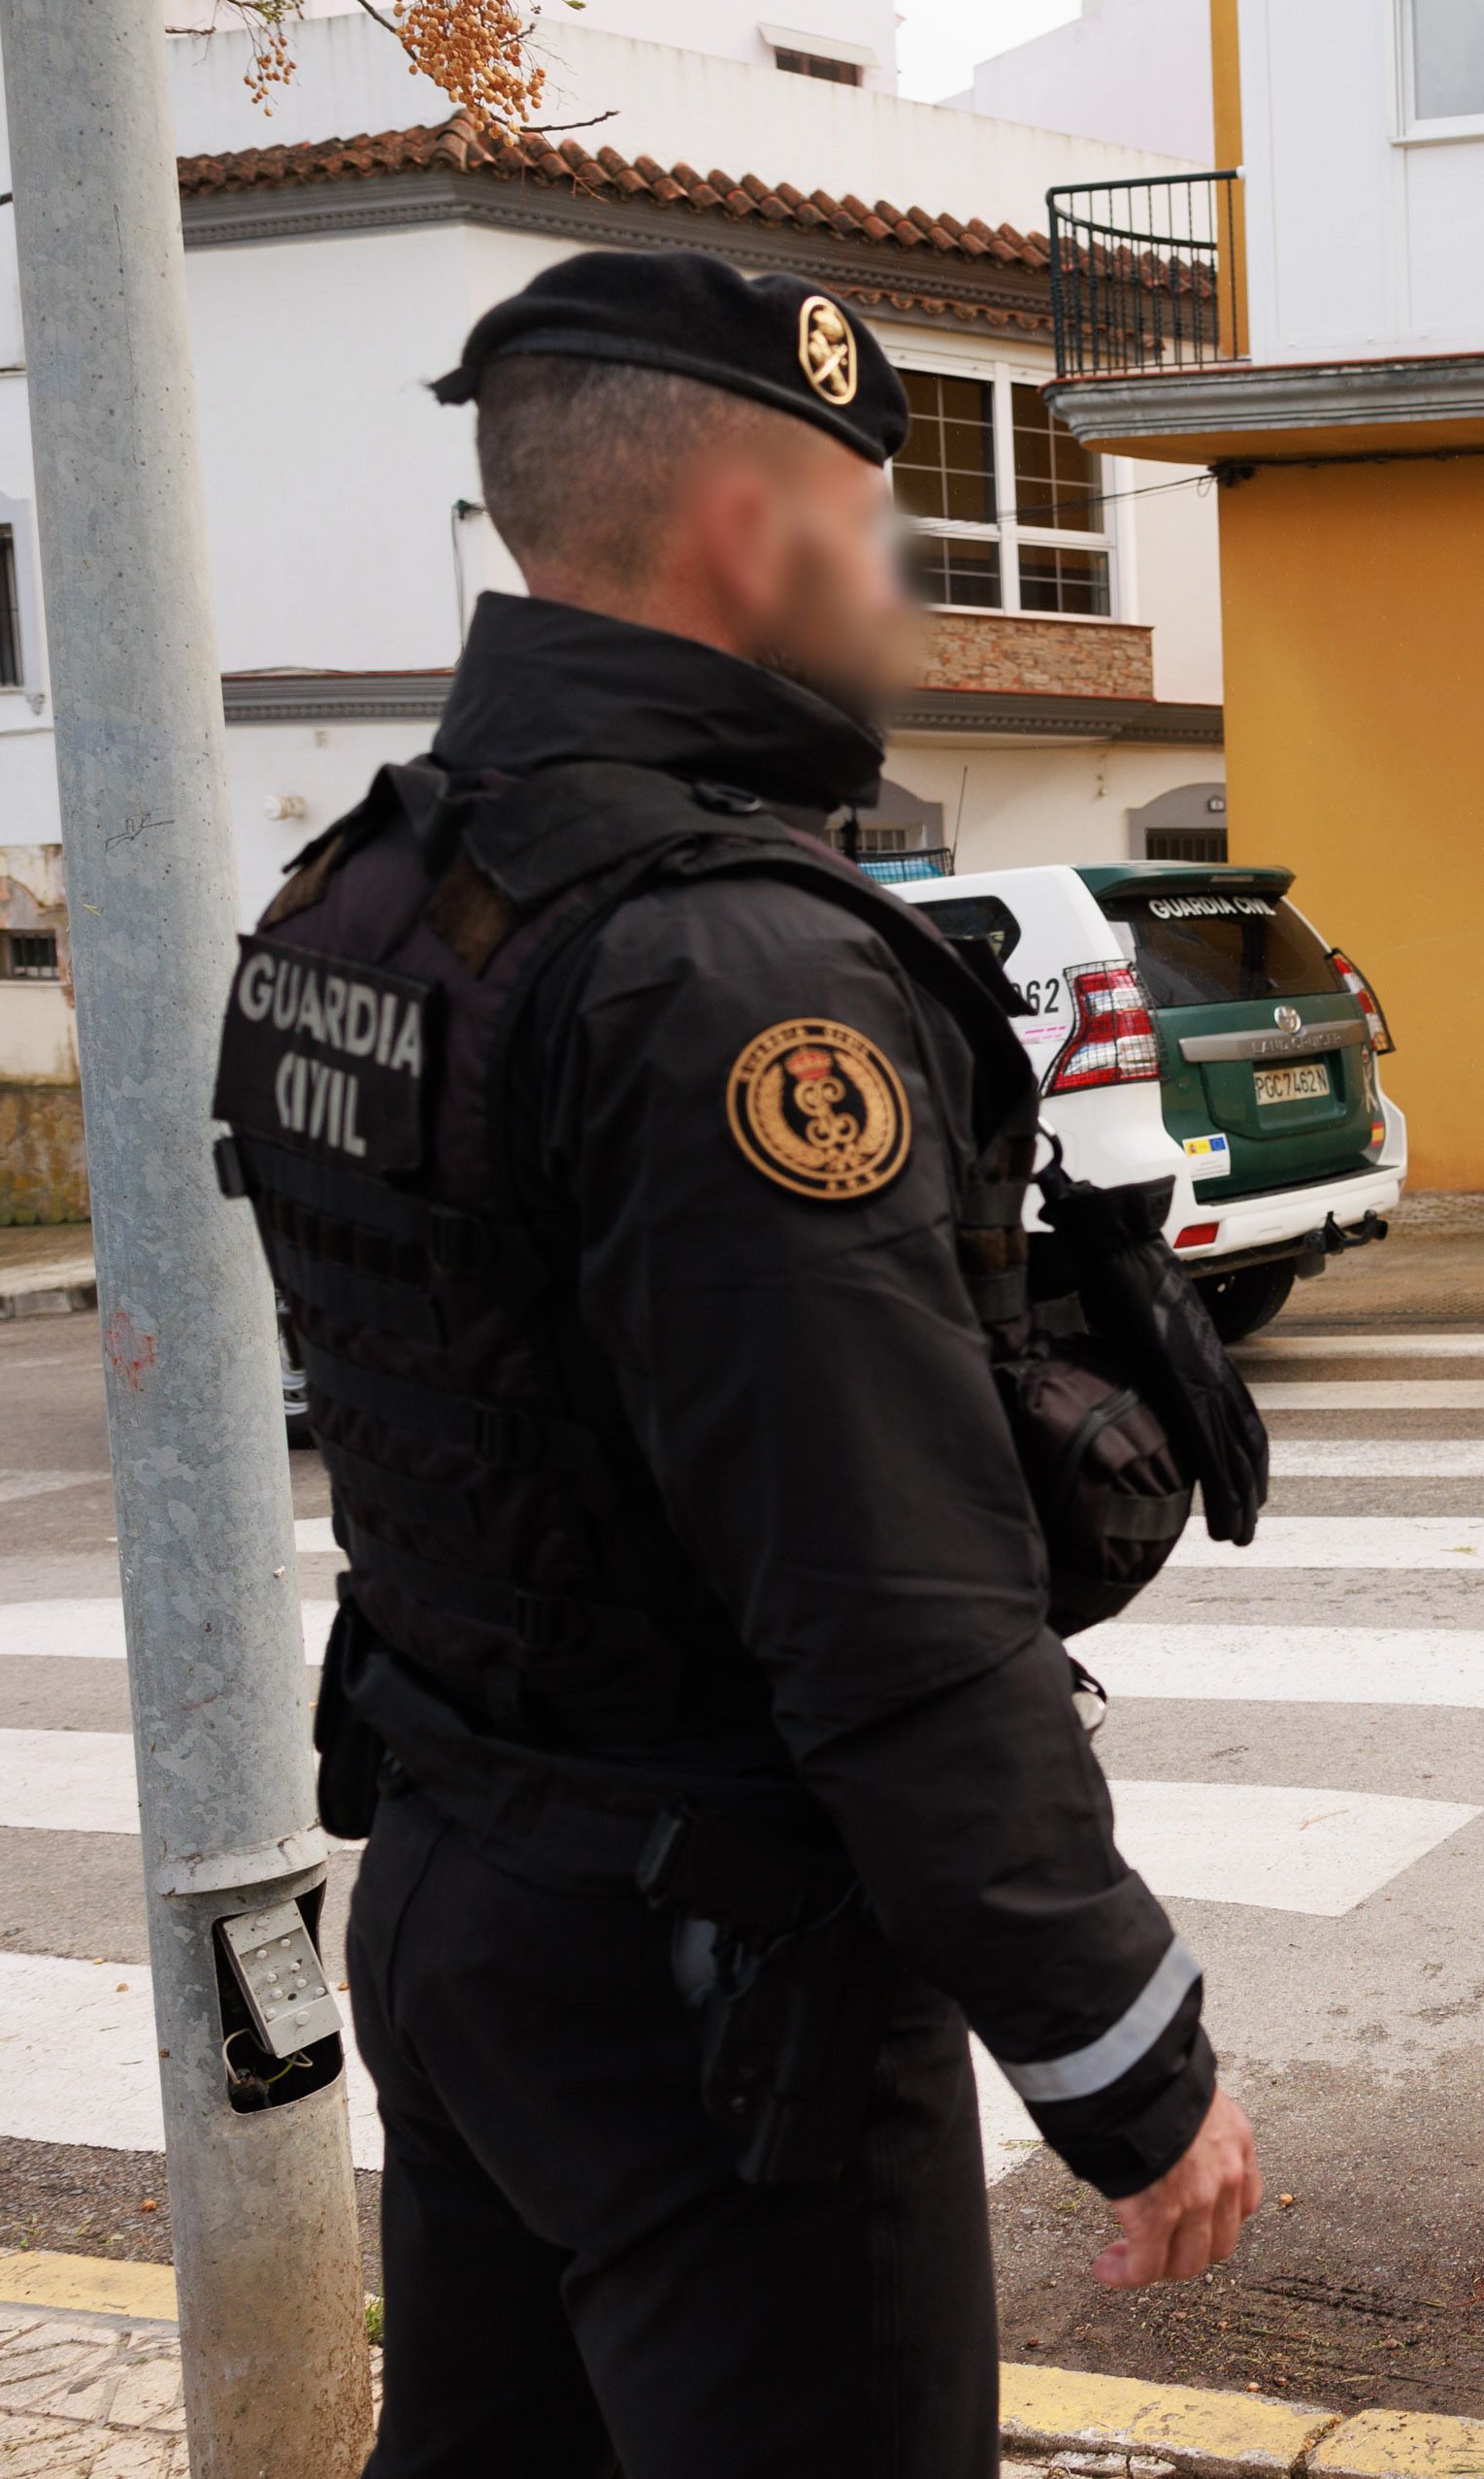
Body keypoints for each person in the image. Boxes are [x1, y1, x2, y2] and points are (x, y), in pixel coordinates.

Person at [214, 250, 1258, 2476]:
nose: (888, 582)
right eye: (870, 525)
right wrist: (1126, 2061)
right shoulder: (724, 974)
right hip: (715, 1991)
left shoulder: (356, 898)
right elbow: (887, 1592)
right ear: (753, 536)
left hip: (469, 1901)